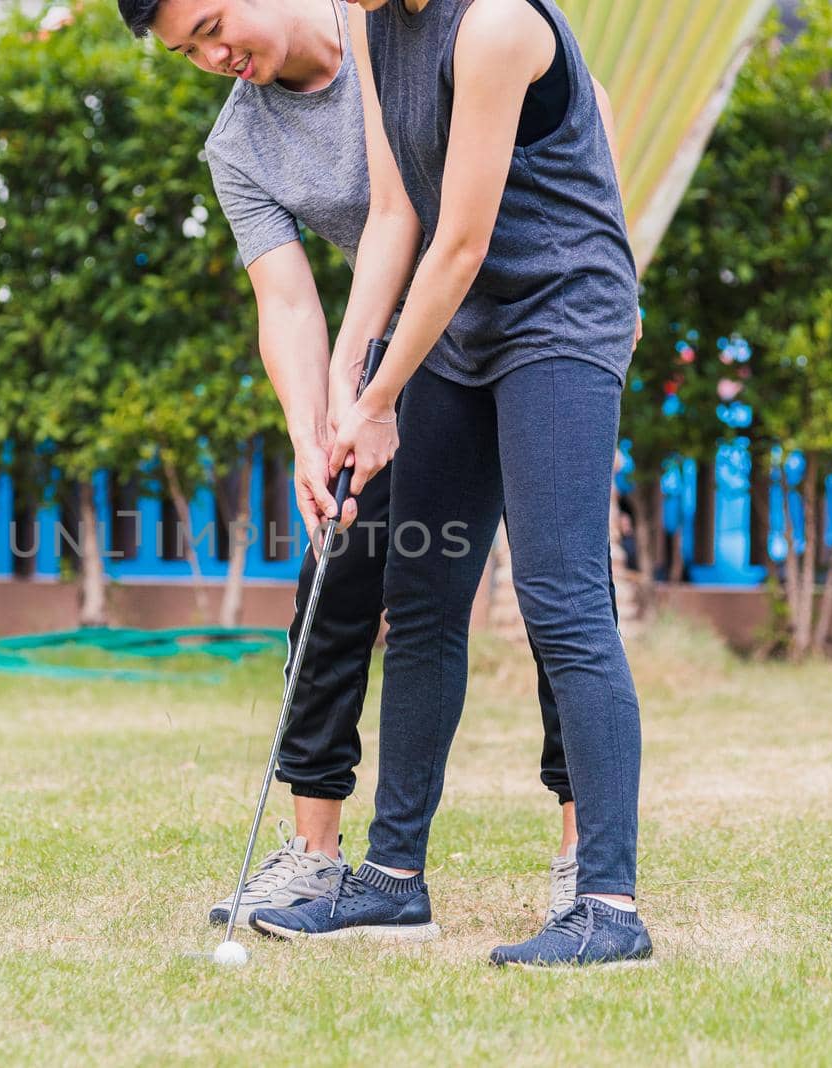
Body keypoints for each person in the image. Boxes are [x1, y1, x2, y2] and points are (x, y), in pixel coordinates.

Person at [115, 0, 588, 929]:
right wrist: (312, 428)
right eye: (188, 53)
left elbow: (573, 103)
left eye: (213, 25)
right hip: (394, 360)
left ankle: (583, 845)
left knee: (558, 594)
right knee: (336, 585)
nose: (216, 57)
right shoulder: (239, 148)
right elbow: (287, 304)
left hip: (524, 322)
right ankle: (318, 856)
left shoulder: (396, 21)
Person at [247, 0, 651, 967]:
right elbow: (398, 214)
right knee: (420, 600)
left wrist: (381, 395)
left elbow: (462, 242)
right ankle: (392, 883)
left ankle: (610, 906)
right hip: (457, 327)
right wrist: (350, 382)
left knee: (562, 599)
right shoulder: (370, 15)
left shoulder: (499, 24)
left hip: (560, 312)